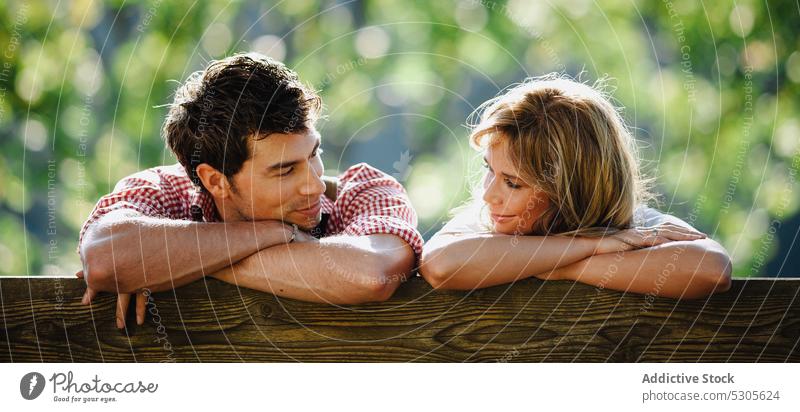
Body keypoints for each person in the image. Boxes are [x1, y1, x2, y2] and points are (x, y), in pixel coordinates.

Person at [77, 53, 423, 328]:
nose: (315, 184)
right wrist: (279, 234)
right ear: (215, 181)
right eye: (285, 170)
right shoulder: (163, 190)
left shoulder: (364, 191)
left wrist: (165, 263)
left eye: (314, 154)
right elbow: (105, 259)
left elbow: (370, 275)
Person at [419, 75, 731, 299]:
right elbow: (439, 265)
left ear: (571, 189)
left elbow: (711, 270)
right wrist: (590, 247)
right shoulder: (485, 224)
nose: (488, 195)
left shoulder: (632, 227)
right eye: (489, 169)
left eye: (513, 183)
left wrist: (561, 267)